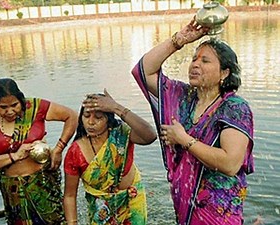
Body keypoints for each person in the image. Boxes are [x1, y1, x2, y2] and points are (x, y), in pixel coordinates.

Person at [131, 17, 254, 225]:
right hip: (185, 207)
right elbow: (142, 71)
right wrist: (179, 40)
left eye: (205, 61)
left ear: (224, 73)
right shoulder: (182, 97)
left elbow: (231, 163)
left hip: (219, 213)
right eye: (194, 59)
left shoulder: (234, 108)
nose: (195, 65)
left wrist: (184, 140)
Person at [0, 78, 78, 225]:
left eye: (14, 105)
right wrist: (14, 156)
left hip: (42, 184)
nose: (10, 111)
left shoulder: (35, 108)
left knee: (53, 221)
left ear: (21, 99)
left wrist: (59, 149)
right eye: (3, 107)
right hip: (13, 191)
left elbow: (72, 116)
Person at [63, 89, 157, 225]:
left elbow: (150, 136)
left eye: (98, 117)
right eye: (86, 115)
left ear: (109, 120)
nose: (91, 122)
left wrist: (116, 107)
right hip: (101, 210)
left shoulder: (122, 133)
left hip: (132, 202)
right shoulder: (75, 152)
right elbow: (70, 196)